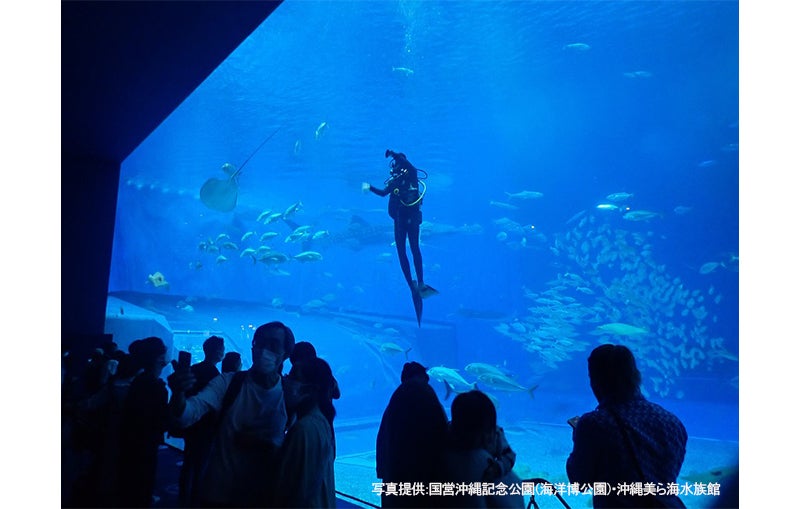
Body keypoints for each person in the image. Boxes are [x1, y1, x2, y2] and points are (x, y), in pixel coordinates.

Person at [168, 321, 295, 508]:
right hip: (219, 493)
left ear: (285, 354)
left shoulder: (290, 394)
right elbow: (187, 414)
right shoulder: (227, 383)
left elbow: (293, 445)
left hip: (265, 495)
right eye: (259, 343)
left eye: (274, 345)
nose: (263, 350)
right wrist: (178, 394)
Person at [566, 344, 688, 508]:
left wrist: (578, 438)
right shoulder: (672, 422)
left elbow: (579, 481)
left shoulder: (594, 424)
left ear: (597, 380)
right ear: (635, 376)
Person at [363, 149, 437, 326]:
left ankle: (417, 284)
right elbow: (382, 193)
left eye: (397, 163)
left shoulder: (409, 173)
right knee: (410, 250)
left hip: (402, 219)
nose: (395, 167)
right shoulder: (407, 177)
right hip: (407, 218)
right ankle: (419, 284)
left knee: (404, 252)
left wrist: (393, 154)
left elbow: (383, 192)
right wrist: (370, 187)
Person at [376, 361, 448, 508]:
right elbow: (443, 433)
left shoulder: (394, 403)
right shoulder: (426, 395)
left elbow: (382, 443)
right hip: (426, 481)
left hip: (395, 479)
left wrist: (384, 473)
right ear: (422, 378)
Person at [272, 356, 338, 508]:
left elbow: (297, 492)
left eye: (293, 377)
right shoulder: (320, 421)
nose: (286, 381)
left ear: (310, 389)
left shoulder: (304, 429)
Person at [440, 390, 523, 509]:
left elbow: (509, 455)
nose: (485, 437)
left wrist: (498, 468)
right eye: (474, 432)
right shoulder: (447, 436)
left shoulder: (496, 434)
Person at [116, 336, 170, 508]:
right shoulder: (155, 386)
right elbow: (161, 420)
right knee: (141, 485)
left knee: (130, 484)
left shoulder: (138, 381)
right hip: (145, 444)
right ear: (159, 358)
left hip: (131, 442)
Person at [178, 335, 225, 507]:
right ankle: (195, 500)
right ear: (217, 352)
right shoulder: (215, 375)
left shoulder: (194, 368)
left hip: (191, 423)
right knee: (201, 466)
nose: (223, 352)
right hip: (206, 426)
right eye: (222, 348)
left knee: (189, 461)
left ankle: (183, 497)